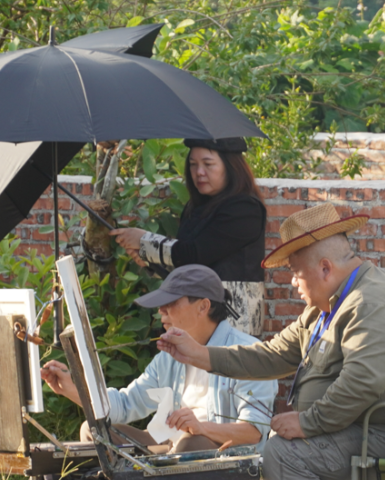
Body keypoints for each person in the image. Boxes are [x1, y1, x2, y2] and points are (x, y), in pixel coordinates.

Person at [157, 203, 385, 480]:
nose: (292, 282)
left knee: (284, 453)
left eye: (295, 272)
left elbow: (362, 383)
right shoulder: (325, 309)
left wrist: (307, 422)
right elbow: (272, 355)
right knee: (277, 448)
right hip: (359, 429)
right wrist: (199, 354)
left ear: (325, 268)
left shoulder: (373, 302)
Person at [40, 264, 276, 480]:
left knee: (190, 443)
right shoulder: (169, 356)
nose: (161, 311)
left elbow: (254, 431)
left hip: (225, 459)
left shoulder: (248, 353)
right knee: (94, 431)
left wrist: (201, 427)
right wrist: (74, 389)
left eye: (171, 303)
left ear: (203, 306)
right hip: (170, 449)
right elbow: (125, 404)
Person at [109, 138, 267, 336]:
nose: (199, 172)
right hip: (195, 321)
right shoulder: (196, 208)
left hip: (232, 325)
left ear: (231, 167)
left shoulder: (245, 209)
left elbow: (194, 254)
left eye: (208, 164)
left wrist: (144, 242)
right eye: (193, 164)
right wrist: (149, 260)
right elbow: (187, 270)